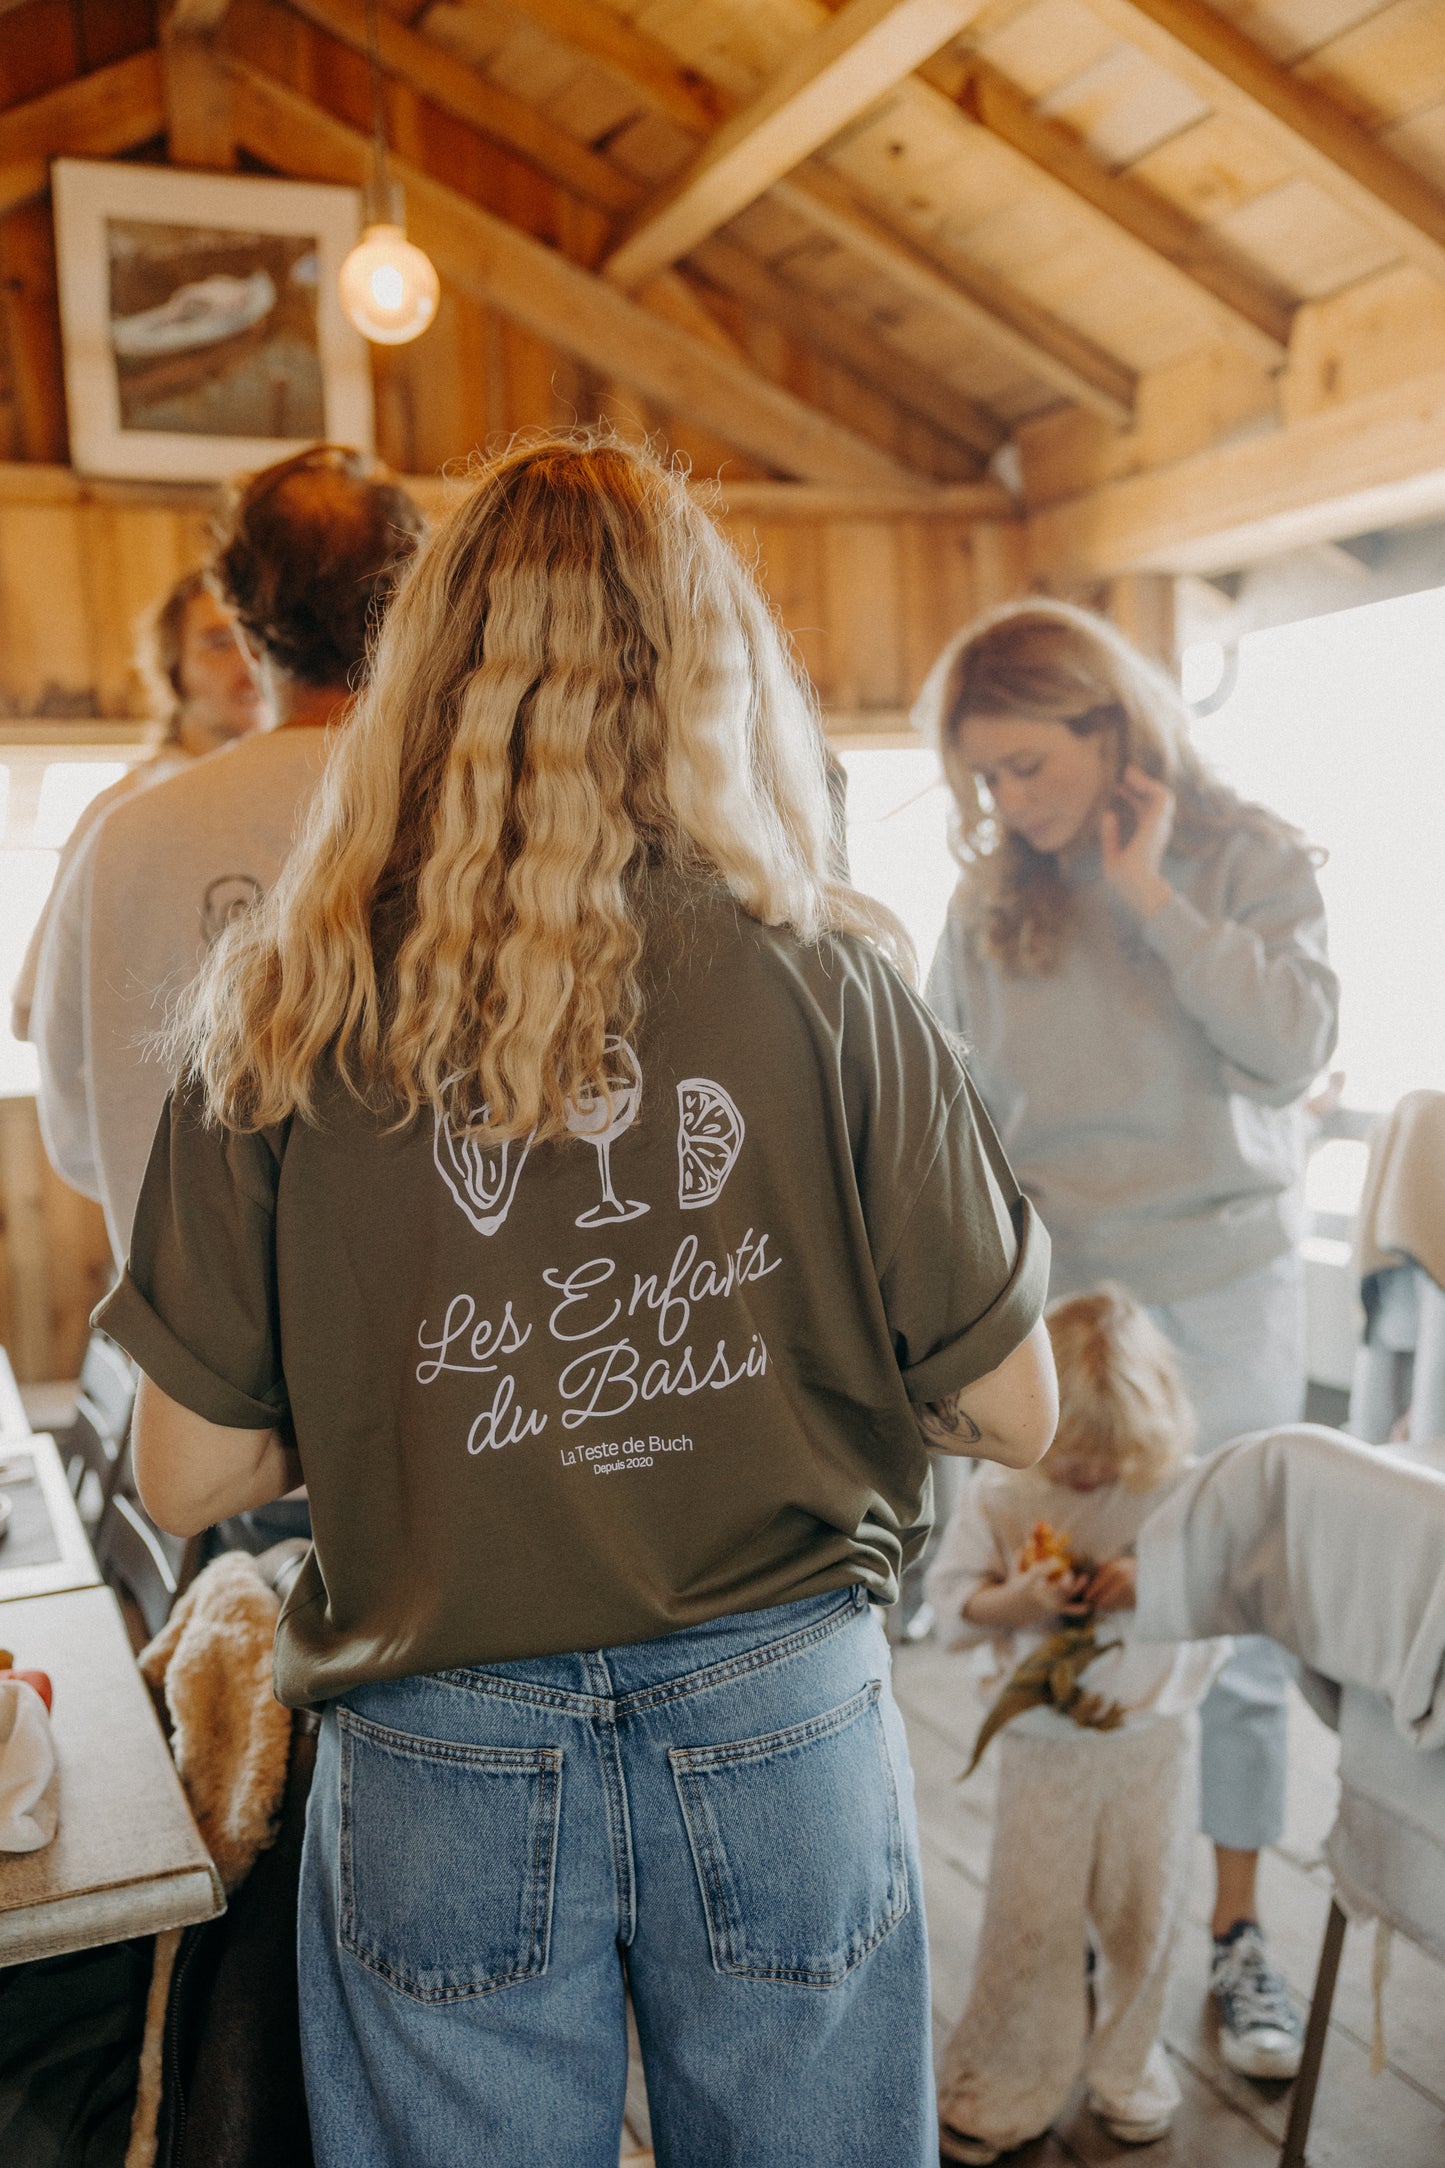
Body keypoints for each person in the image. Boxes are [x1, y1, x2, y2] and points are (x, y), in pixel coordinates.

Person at [95, 432, 1058, 2168]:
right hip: (781, 1709)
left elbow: (184, 1474)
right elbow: (1017, 1407)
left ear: (418, 670)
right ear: (710, 666)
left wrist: (405, 1385)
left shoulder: (280, 1014)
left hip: (436, 1728)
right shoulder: (838, 974)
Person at [917, 598, 1340, 2080]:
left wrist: (1149, 889)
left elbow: (1291, 1048)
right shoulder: (986, 901)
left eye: (1024, 765)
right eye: (981, 779)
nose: (1003, 804)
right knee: (1073, 1600)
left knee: (1221, 1623)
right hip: (1061, 1308)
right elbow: (942, 1109)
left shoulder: (1249, 856)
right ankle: (1107, 1932)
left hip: (1218, 1291)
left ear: (1114, 730)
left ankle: (1233, 1934)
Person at [30, 445, 424, 1262]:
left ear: (245, 621)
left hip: (193, 1301)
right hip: (443, 1318)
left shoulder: (130, 835)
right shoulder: (480, 815)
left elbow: (76, 1124)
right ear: (413, 599)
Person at [925, 1287, 1225, 2163]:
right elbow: (952, 1601)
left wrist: (1146, 1582)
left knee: (1145, 1911)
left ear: (1147, 1431)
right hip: (1044, 1748)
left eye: (1104, 1458)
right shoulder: (1003, 1489)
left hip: (1149, 1738)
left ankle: (1130, 2066)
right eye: (1069, 1457)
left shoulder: (1173, 1491)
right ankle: (1006, 2078)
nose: (1085, 1477)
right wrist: (1016, 1598)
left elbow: (1220, 1595)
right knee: (1031, 1917)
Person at [10, 568, 265, 1042]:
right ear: (174, 669)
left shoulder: (306, 799)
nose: (246, 662)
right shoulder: (121, 812)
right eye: (217, 642)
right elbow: (33, 1010)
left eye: (253, 638)